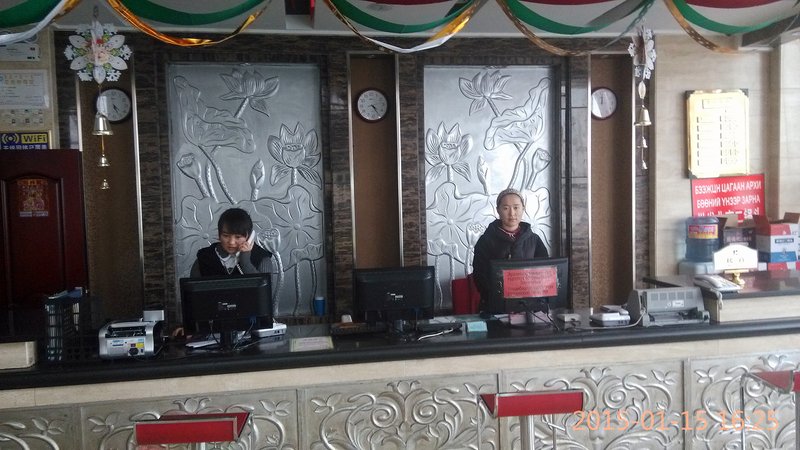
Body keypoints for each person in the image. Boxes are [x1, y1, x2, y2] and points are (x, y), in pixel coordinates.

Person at [471, 188, 548, 308]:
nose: (512, 213)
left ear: (523, 208)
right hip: (497, 305)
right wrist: (499, 295)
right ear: (498, 210)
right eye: (506, 208)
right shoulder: (486, 240)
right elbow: (480, 275)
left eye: (516, 207)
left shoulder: (534, 240)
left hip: (530, 305)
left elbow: (544, 272)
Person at [190, 207, 273, 277]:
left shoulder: (262, 258)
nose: (231, 242)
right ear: (219, 235)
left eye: (238, 237)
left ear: (249, 236)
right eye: (226, 236)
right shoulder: (204, 257)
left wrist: (245, 261)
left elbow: (264, 288)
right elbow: (192, 289)